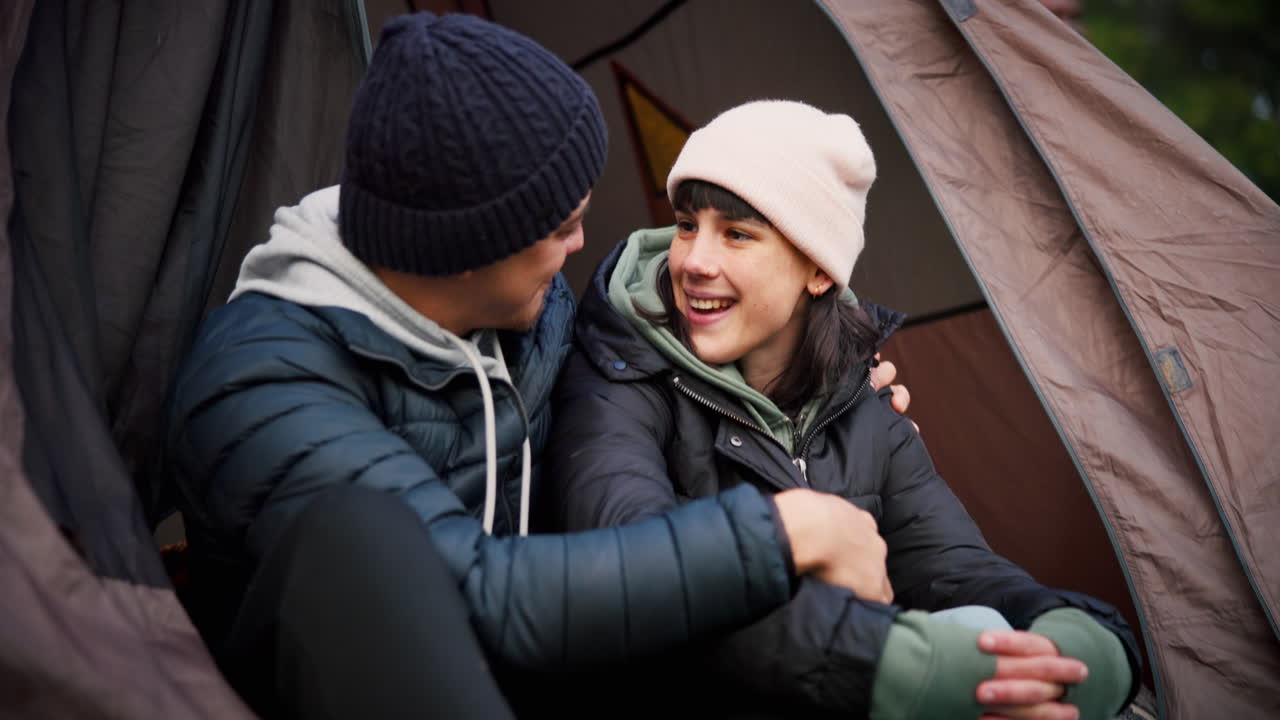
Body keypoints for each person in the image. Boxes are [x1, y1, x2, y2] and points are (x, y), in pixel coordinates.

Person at [164, 13, 913, 719]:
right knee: (361, 539)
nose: (583, 245)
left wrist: (818, 391)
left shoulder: (530, 306)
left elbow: (640, 395)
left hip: (546, 682)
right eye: (561, 228)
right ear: (465, 254)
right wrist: (785, 531)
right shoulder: (262, 385)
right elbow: (477, 596)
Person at [543, 99, 1142, 720]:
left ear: (819, 272)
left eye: (738, 234)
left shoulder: (863, 404)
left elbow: (951, 568)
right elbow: (637, 573)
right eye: (689, 223)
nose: (694, 260)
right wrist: (905, 668)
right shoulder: (617, 375)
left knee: (982, 626)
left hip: (836, 681)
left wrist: (1086, 649)